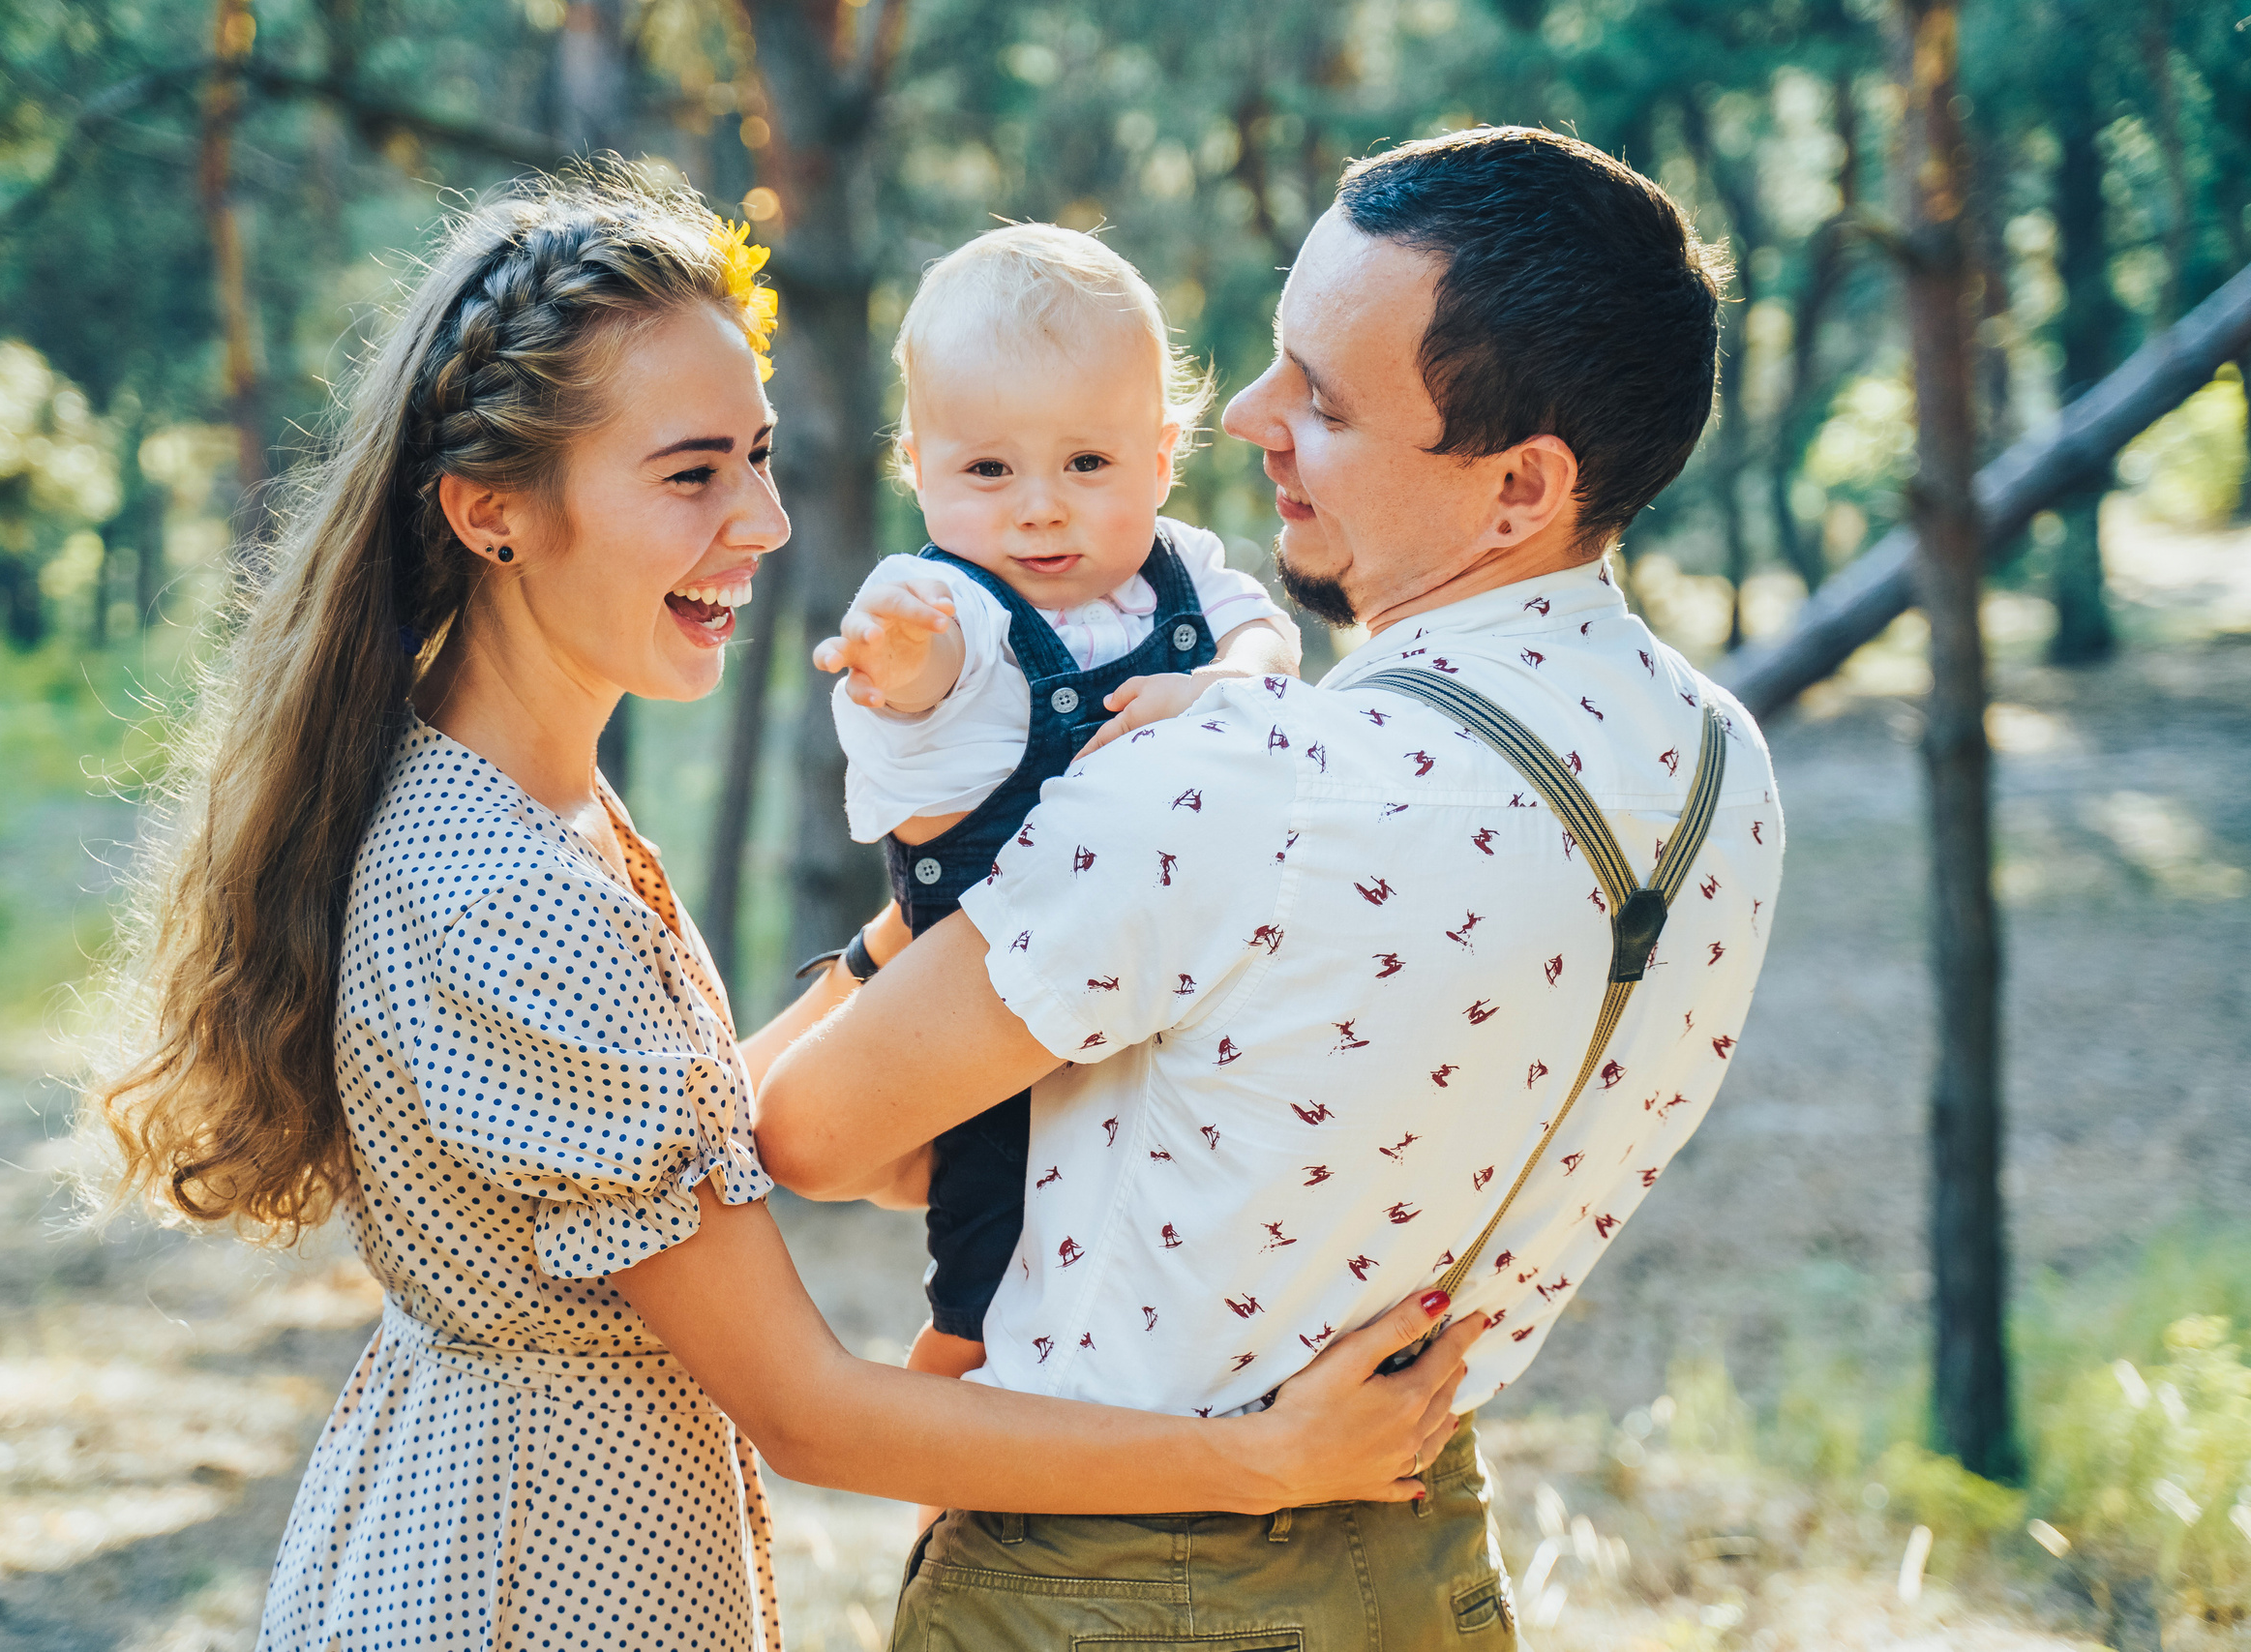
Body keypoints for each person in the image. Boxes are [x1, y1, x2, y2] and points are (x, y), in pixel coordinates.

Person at [79, 163, 1482, 1652]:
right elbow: (806, 1408)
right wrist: (1257, 1459)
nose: (760, 517)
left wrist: (922, 935)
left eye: (756, 455)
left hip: (548, 1519)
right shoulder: (501, 884)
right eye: (691, 473)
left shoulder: (520, 790)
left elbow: (671, 1156)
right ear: (493, 511)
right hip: (532, 1574)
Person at [756, 127, 1787, 1650]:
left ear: (1521, 485)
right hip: (1421, 1554)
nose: (1246, 420)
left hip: (1102, 1579)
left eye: (1323, 395)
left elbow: (814, 1130)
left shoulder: (1239, 783)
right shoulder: (1722, 773)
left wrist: (934, 905)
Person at [809, 224, 1300, 1404]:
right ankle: (946, 1459)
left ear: (1163, 454)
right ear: (916, 464)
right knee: (988, 1267)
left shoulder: (1183, 574)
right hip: (987, 999)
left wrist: (1228, 680)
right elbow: (933, 684)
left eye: (1087, 464)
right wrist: (900, 667)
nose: (1038, 511)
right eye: (988, 472)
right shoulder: (941, 602)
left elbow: (1262, 634)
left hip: (1156, 998)